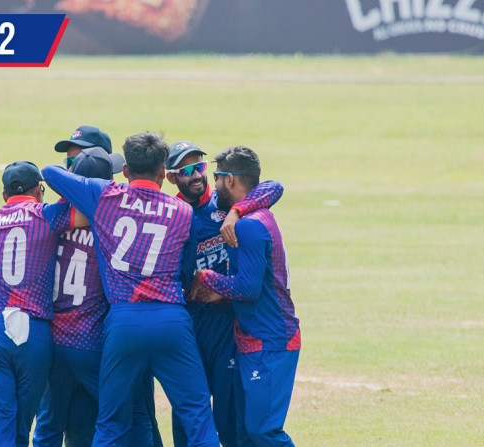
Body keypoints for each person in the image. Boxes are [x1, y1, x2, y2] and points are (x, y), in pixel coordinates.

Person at [42, 132, 219, 447]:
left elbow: (49, 173)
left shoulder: (105, 196)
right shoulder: (183, 212)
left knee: (111, 423)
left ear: (125, 171)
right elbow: (185, 271)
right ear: (163, 172)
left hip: (123, 322)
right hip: (171, 319)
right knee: (198, 417)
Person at [33, 146, 162, 447]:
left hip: (53, 342)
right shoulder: (110, 226)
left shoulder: (52, 219)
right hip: (91, 342)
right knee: (129, 414)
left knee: (49, 425)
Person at [164, 141, 284, 447]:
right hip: (188, 326)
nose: (197, 175)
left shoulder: (223, 204)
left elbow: (273, 186)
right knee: (187, 412)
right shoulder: (170, 214)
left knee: (230, 414)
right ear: (171, 177)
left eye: (200, 167)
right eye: (187, 170)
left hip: (225, 327)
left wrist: (236, 211)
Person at [190, 145, 300, 447]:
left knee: (262, 431)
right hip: (252, 338)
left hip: (271, 340)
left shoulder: (250, 225)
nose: (213, 183)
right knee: (244, 433)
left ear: (231, 180)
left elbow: (248, 289)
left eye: (217, 176)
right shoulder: (251, 216)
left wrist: (205, 277)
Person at [0, 161, 82, 446]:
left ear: (4, 194)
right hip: (33, 332)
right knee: (21, 429)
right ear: (38, 190)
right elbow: (87, 211)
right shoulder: (47, 215)